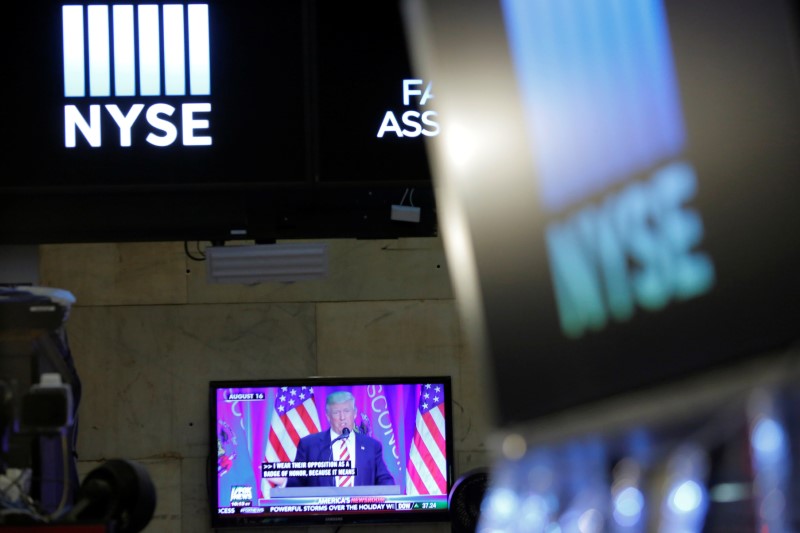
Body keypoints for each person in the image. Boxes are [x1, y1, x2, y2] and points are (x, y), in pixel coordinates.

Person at [287, 391, 395, 487]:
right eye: (336, 412)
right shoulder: (309, 445)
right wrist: (283, 481)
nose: (342, 417)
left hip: (361, 508)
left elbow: (385, 480)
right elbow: (296, 482)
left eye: (347, 411)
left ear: (355, 413)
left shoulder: (371, 446)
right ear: (328, 416)